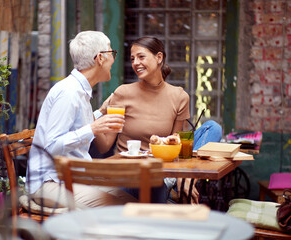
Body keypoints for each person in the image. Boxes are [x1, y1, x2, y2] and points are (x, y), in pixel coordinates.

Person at [96, 36, 222, 203]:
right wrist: (95, 120)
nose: (135, 63)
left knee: (213, 128)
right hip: (129, 174)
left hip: (162, 170)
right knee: (153, 182)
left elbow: (174, 142)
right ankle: (174, 188)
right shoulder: (123, 93)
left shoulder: (179, 96)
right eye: (132, 59)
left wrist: (184, 172)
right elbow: (104, 146)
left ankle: (186, 179)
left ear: (159, 57)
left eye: (141, 57)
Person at [26, 31, 138, 210]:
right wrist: (92, 129)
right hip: (50, 183)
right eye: (112, 53)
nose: (114, 59)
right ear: (100, 58)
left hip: (71, 178)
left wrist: (100, 113)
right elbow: (51, 146)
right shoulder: (69, 93)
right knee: (123, 210)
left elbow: (75, 124)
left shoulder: (79, 91)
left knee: (133, 203)